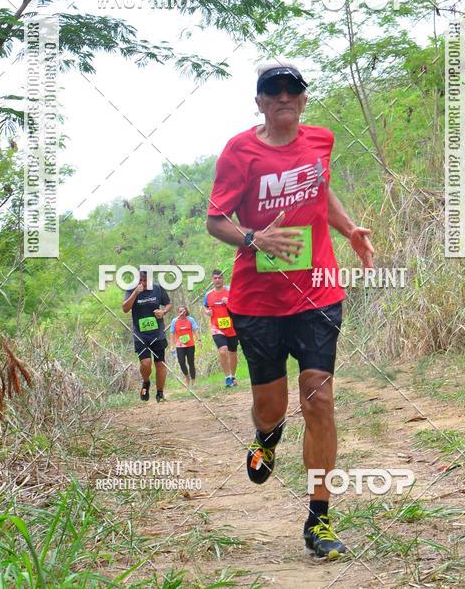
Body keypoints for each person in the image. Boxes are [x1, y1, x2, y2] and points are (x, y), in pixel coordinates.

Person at [206, 60, 374, 560]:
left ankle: (319, 519)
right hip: (257, 301)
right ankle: (266, 436)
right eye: (271, 90)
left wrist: (349, 230)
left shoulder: (320, 141)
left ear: (303, 100)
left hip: (318, 293)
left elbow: (322, 190)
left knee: (319, 400)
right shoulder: (241, 151)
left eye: (291, 90)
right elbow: (216, 221)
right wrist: (255, 238)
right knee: (272, 407)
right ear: (258, 101)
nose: (282, 97)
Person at [122, 269, 172, 402]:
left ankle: (160, 393)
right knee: (145, 363)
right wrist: (135, 293)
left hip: (157, 333)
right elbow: (125, 309)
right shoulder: (131, 289)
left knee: (160, 364)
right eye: (140, 280)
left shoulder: (157, 288)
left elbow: (168, 304)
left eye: (145, 280)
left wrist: (163, 311)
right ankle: (146, 382)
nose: (143, 283)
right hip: (140, 335)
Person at [203, 269, 239, 387]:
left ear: (223, 279)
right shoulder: (208, 295)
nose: (217, 280)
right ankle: (227, 377)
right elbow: (205, 307)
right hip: (217, 327)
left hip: (232, 326)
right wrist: (207, 312)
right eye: (215, 278)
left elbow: (239, 304)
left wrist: (230, 302)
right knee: (223, 351)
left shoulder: (231, 291)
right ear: (212, 280)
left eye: (219, 278)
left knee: (233, 352)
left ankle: (233, 376)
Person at [170, 305, 201, 388]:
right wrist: (172, 345)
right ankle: (187, 377)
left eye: (183, 311)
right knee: (181, 362)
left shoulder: (190, 320)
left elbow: (195, 330)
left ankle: (194, 380)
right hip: (179, 345)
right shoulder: (174, 321)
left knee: (191, 362)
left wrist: (199, 340)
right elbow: (172, 333)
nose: (182, 313)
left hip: (190, 344)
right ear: (178, 313)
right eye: (180, 311)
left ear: (186, 311)